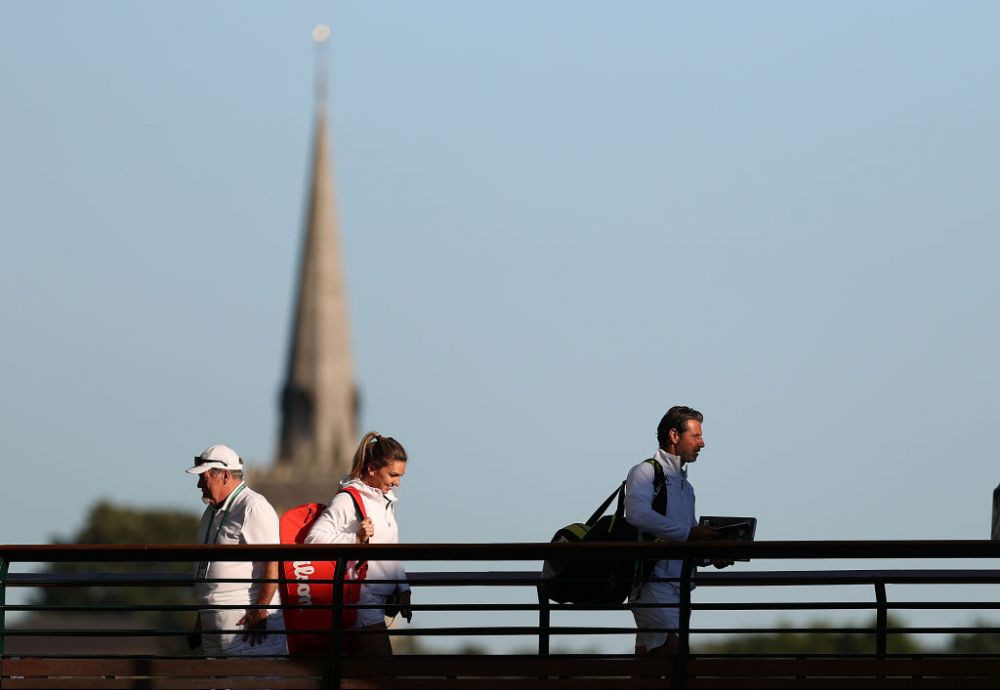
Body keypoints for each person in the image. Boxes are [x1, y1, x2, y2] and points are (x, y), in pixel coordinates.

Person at [624, 406, 732, 657]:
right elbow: (636, 514)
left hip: (678, 586)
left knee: (650, 669)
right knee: (679, 663)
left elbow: (686, 536)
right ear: (674, 436)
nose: (702, 443)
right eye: (695, 436)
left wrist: (710, 555)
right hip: (652, 584)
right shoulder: (645, 471)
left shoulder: (687, 486)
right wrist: (691, 534)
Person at [305, 431, 412, 655]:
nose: (397, 482)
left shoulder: (383, 500)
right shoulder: (348, 499)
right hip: (361, 601)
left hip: (376, 601)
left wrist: (402, 588)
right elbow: (314, 539)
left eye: (400, 475)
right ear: (372, 469)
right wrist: (354, 539)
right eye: (392, 474)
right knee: (383, 674)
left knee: (361, 676)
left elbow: (390, 550)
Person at [187, 444, 287, 656]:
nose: (198, 485)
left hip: (244, 622)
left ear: (224, 476)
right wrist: (202, 616)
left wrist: (261, 609)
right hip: (214, 620)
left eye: (203, 478)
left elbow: (273, 561)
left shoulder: (253, 507)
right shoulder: (211, 511)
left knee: (250, 681)